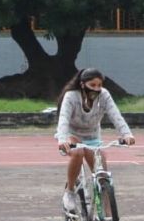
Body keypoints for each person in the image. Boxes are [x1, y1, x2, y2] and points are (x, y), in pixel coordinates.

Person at [55, 67, 135, 213]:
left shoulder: (104, 96)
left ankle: (110, 219)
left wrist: (126, 134)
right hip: (72, 135)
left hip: (93, 137)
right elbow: (63, 119)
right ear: (82, 84)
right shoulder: (71, 96)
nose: (96, 89)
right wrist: (62, 139)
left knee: (102, 176)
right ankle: (70, 191)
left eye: (99, 85)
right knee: (78, 152)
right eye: (92, 85)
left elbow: (115, 115)